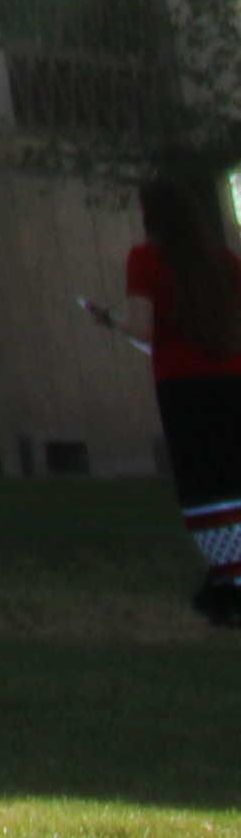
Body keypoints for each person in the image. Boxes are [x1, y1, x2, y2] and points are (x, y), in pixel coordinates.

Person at [127, 168, 241, 628]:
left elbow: (142, 328)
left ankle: (230, 577)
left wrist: (114, 323)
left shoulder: (146, 260)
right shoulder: (226, 263)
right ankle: (228, 581)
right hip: (232, 378)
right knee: (234, 476)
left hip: (183, 383)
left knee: (202, 484)